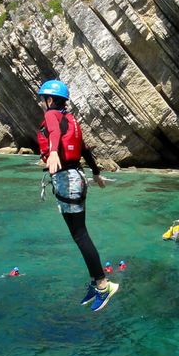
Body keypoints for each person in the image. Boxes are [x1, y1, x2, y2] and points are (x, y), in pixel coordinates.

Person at [37, 79, 118, 312]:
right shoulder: (70, 120)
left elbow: (51, 131)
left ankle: (103, 285)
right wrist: (96, 173)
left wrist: (52, 152)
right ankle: (97, 282)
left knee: (80, 235)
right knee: (79, 234)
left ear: (50, 100)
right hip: (77, 177)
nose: (43, 104)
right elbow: (84, 149)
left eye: (44, 99)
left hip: (68, 180)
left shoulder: (53, 115)